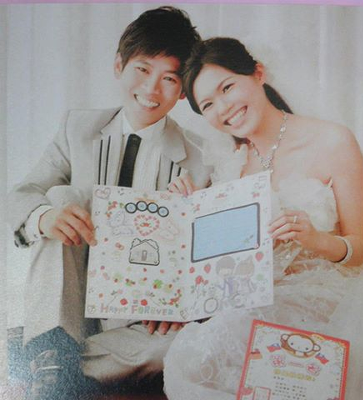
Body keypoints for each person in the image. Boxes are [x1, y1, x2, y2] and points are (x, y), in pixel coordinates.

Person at [164, 37, 363, 400]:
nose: (223, 108)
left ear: (258, 74)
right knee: (189, 358)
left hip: (330, 298)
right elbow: (222, 266)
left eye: (227, 87)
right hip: (258, 300)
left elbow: (360, 249)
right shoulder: (231, 162)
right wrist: (192, 209)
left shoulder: (332, 141)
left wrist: (315, 239)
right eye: (208, 105)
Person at [7, 7, 211, 399]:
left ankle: (51, 364)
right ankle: (53, 346)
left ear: (184, 90)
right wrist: (44, 218)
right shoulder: (78, 127)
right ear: (119, 65)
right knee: (60, 198)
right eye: (142, 69)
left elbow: (208, 259)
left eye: (169, 78)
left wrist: (180, 301)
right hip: (67, 298)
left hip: (137, 320)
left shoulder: (200, 160)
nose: (152, 88)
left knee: (179, 346)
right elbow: (23, 192)